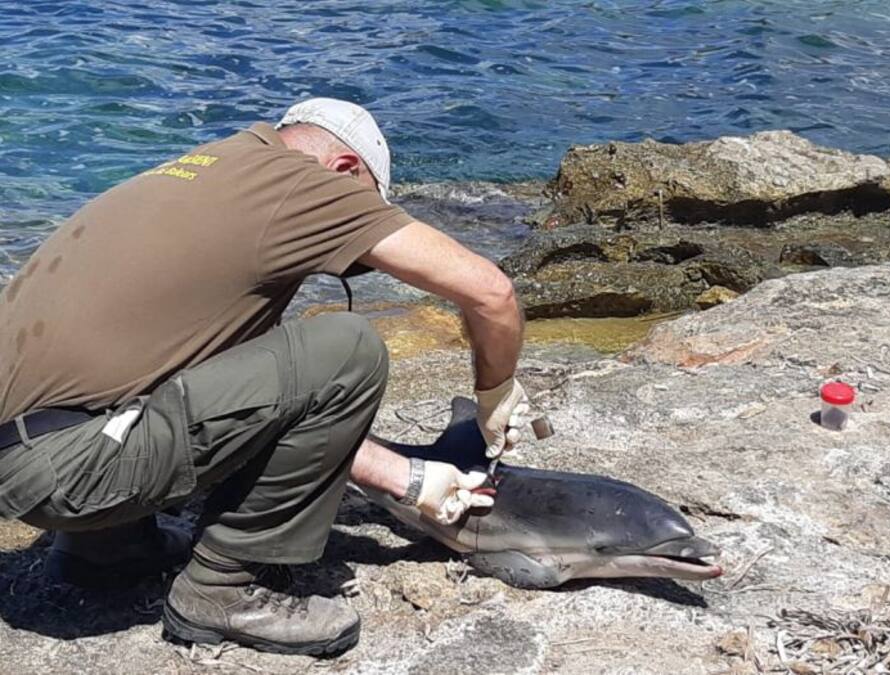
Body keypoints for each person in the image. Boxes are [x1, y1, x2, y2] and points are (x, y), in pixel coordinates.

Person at [0, 98, 532, 656]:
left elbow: (236, 397)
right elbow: (490, 292)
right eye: (365, 215)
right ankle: (224, 589)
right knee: (347, 347)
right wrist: (496, 393)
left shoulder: (208, 170)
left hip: (25, 455)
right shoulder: (305, 185)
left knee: (210, 363)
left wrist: (408, 480)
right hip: (67, 470)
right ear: (346, 172)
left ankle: (105, 548)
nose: (354, 259)